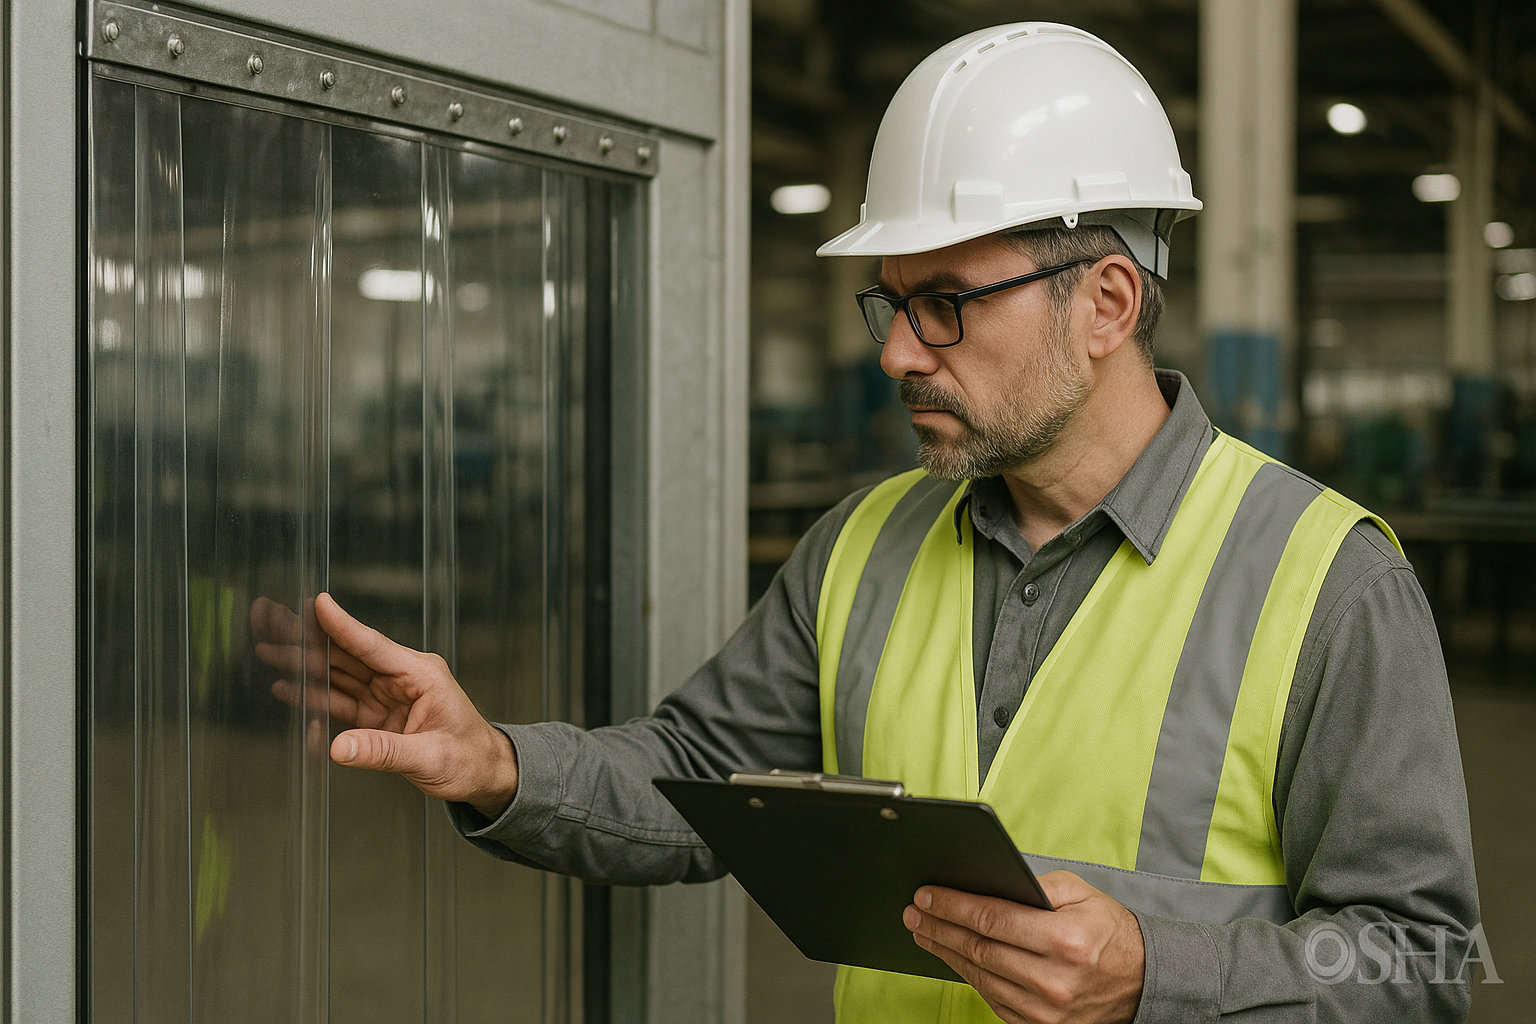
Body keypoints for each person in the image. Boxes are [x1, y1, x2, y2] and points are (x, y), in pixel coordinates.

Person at [255, 23, 1479, 1024]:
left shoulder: (1326, 582)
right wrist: (499, 762)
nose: (897, 350)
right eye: (889, 304)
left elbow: (1424, 962)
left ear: (1107, 302)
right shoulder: (865, 545)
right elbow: (692, 779)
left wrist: (1159, 970)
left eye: (945, 303)